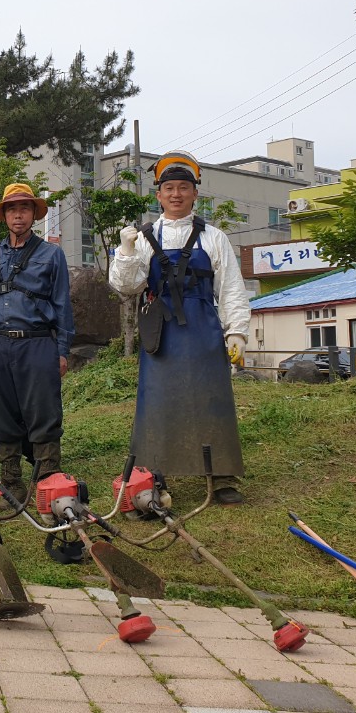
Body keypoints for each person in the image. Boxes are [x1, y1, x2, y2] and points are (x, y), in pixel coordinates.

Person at [107, 150, 249, 505]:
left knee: (212, 400)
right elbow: (125, 286)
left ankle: (221, 478)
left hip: (204, 330)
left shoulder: (215, 238)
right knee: (157, 402)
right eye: (168, 188)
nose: (176, 194)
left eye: (183, 188)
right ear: (158, 195)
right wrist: (124, 252)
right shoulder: (142, 237)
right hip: (161, 332)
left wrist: (237, 332)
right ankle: (154, 474)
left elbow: (231, 286)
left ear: (195, 194)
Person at [0, 184, 74, 503]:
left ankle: (47, 477)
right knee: (2, 412)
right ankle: (11, 479)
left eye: (24, 208)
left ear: (33, 214)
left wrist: (63, 350)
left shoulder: (52, 253)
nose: (18, 214)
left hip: (39, 343)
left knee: (43, 408)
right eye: (12, 209)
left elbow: (63, 304)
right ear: (4, 215)